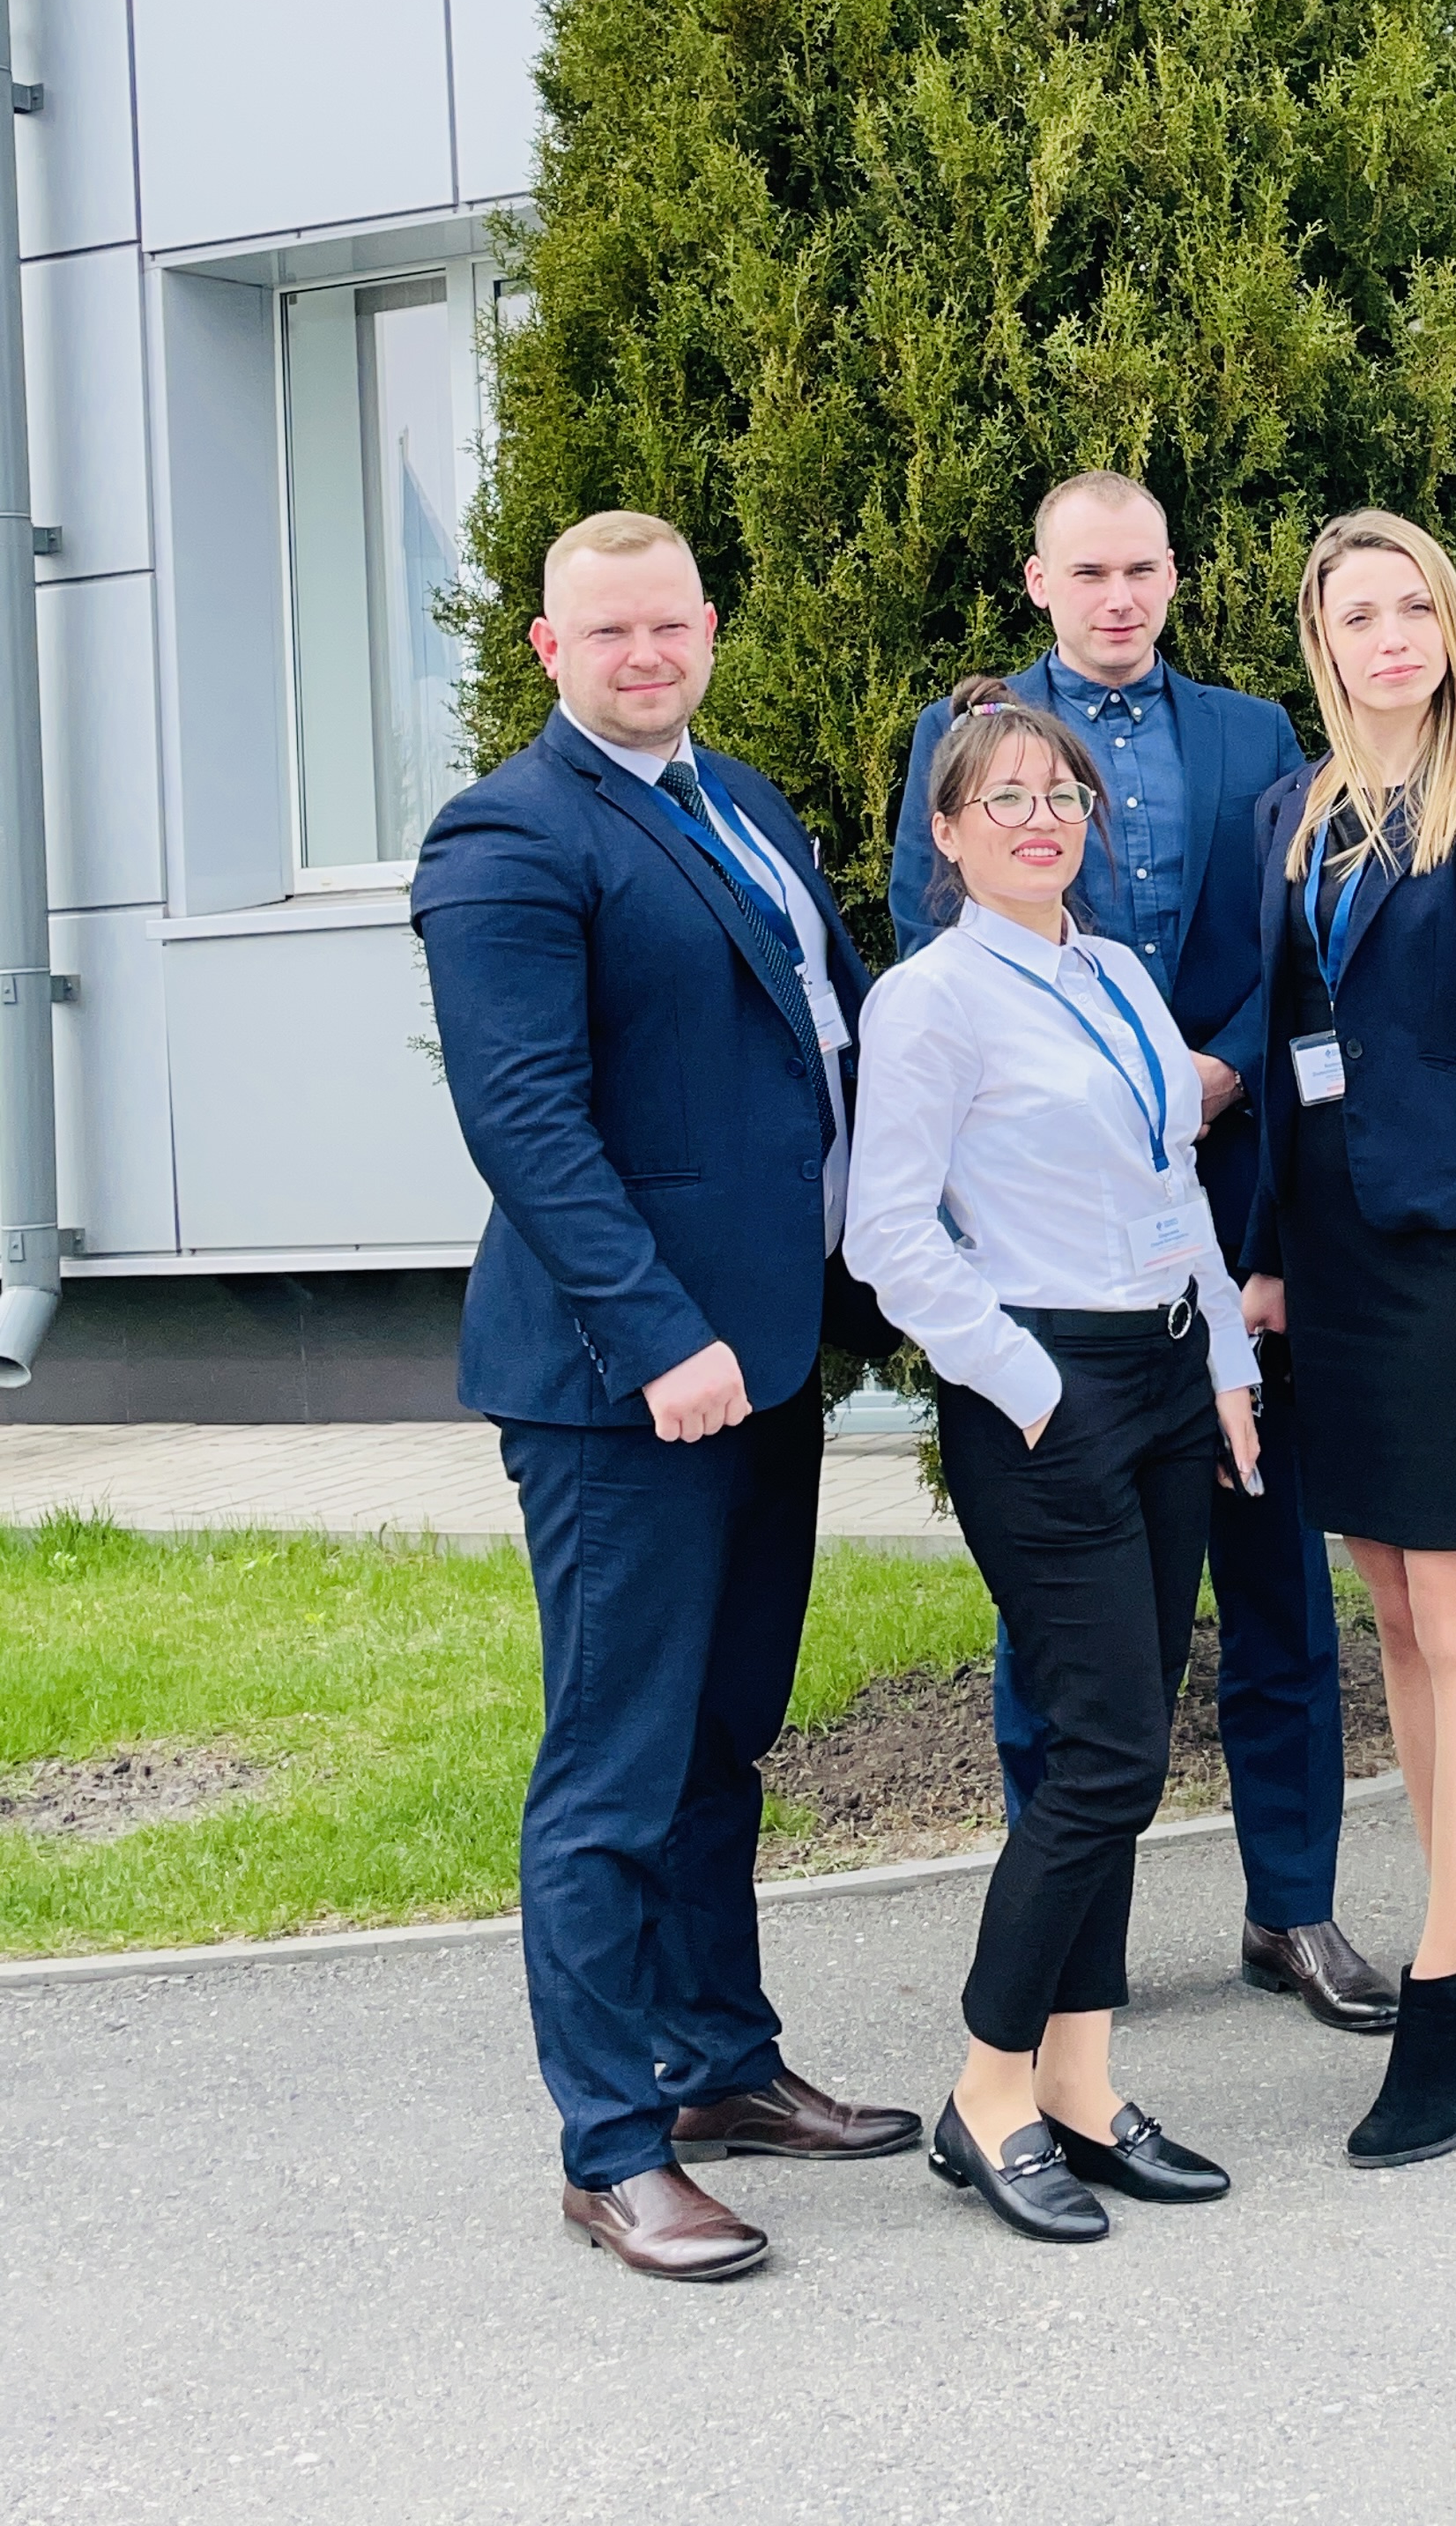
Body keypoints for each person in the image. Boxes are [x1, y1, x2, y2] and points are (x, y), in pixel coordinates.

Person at [412, 511, 917, 2287]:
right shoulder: (508, 834)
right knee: (613, 1770)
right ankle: (611, 2147)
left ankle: (718, 2064)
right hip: (625, 1383)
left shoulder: (741, 800)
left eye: (669, 625)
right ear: (550, 650)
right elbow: (524, 1119)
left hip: (763, 1365)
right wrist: (653, 1333)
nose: (645, 656)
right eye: (607, 632)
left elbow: (823, 1040)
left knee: (721, 1740)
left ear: (708, 627)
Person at [889, 472, 1387, 2037]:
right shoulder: (972, 739)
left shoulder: (1251, 734)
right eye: (1089, 572)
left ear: (1175, 576)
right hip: (1056, 1254)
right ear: (1039, 581)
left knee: (1276, 1581)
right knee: (1066, 1632)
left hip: (1232, 1201)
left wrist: (1210, 1072)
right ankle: (1066, 1950)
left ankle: (1291, 1908)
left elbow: (1299, 943)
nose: (1119, 597)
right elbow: (933, 948)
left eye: (1143, 571)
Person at [848, 678, 1261, 2244]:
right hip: (1042, 1389)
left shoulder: (1116, 971)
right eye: (1002, 798)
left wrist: (1225, 1366)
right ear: (947, 834)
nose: (1039, 819)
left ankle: (1080, 2084)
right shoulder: (932, 999)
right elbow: (887, 1235)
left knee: (1126, 1745)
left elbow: (1173, 1183)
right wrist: (1028, 1387)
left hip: (1163, 1372)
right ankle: (986, 2091)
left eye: (1061, 795)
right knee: (1101, 1756)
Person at [1240, 510, 1456, 2169]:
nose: (1388, 640)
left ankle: (1446, 1995)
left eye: (1411, 610)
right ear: (1320, 641)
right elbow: (1285, 1042)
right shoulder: (1289, 813)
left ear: (1451, 626)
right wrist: (1262, 1258)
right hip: (1334, 1259)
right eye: (1355, 616)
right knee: (1388, 1606)